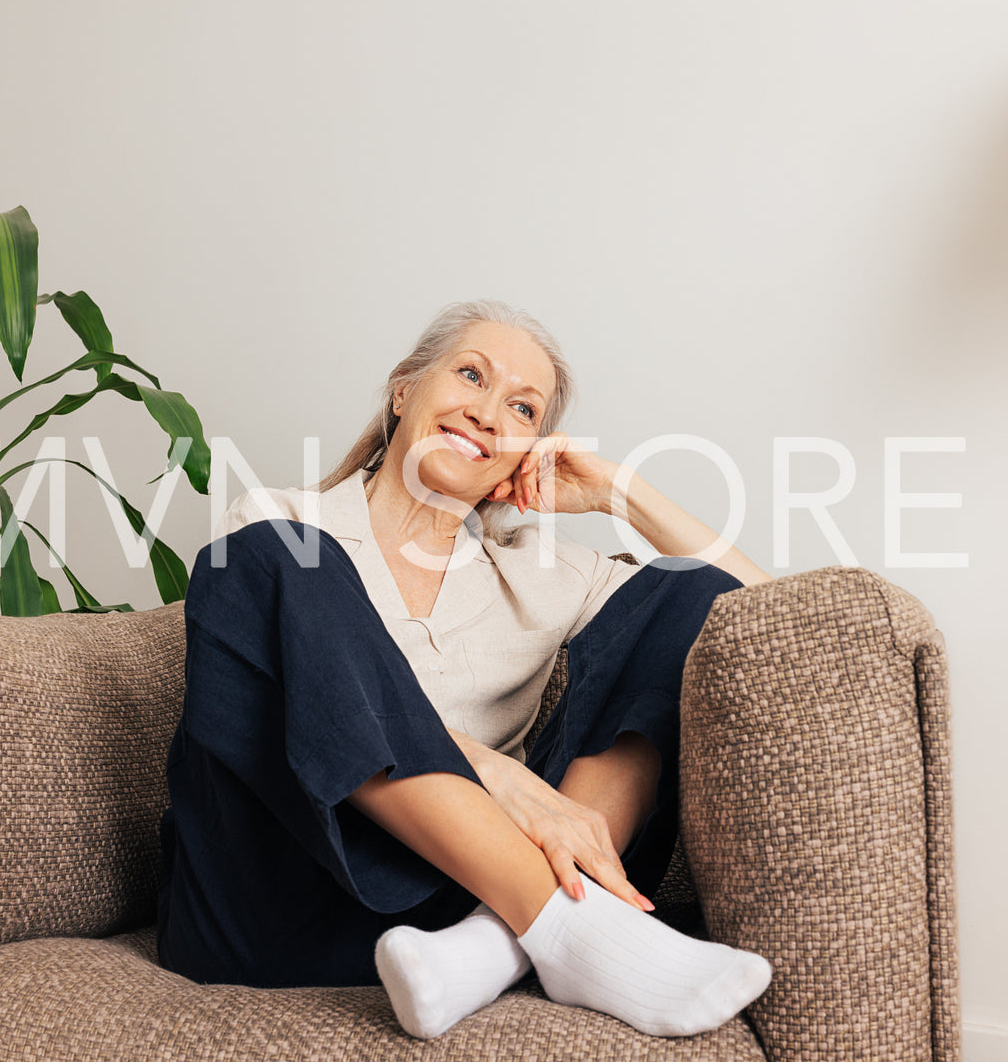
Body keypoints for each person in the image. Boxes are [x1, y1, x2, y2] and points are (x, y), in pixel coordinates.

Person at [156, 299, 775, 1040]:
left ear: (531, 450)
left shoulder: (539, 573)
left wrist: (616, 493)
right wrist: (502, 778)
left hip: (441, 910)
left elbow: (758, 615)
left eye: (520, 407)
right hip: (267, 907)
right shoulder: (281, 525)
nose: (486, 413)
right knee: (270, 557)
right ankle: (568, 928)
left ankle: (493, 947)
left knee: (687, 593)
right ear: (402, 391)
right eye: (470, 375)